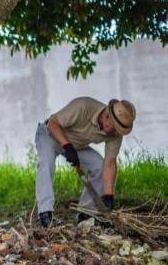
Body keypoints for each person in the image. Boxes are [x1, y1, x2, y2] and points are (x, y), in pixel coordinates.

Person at [35, 97, 136, 227]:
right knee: (46, 163)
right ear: (107, 116)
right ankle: (45, 214)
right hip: (50, 135)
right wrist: (67, 146)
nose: (116, 133)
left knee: (99, 166)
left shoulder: (115, 133)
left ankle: (84, 213)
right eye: (115, 128)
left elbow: (110, 163)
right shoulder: (83, 106)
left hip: (76, 146)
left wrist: (108, 195)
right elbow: (53, 123)